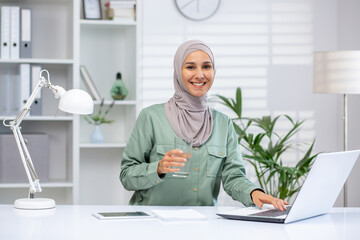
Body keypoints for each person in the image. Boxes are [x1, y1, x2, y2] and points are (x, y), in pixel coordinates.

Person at [120, 40, 288, 210]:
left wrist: (255, 193)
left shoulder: (223, 123)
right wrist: (158, 168)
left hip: (203, 224)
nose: (200, 75)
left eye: (207, 67)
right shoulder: (151, 117)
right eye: (190, 67)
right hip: (151, 223)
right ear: (178, 71)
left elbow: (233, 177)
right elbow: (127, 176)